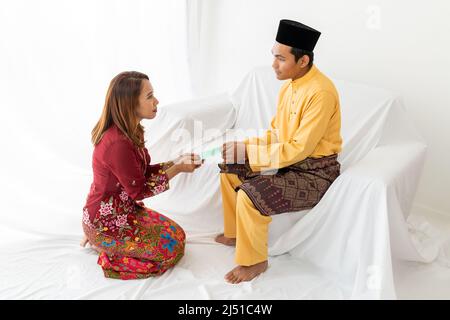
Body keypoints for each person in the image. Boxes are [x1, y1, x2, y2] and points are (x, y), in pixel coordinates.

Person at [217, 19, 343, 284]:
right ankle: (236, 233)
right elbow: (277, 134)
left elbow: (299, 148)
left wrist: (249, 154)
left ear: (303, 61)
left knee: (249, 196)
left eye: (280, 58)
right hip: (289, 162)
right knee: (229, 171)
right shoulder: (289, 87)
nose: (273, 64)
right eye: (273, 57)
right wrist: (245, 147)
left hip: (315, 173)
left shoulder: (321, 93)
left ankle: (255, 261)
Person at [81, 71, 202, 280]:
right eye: (149, 96)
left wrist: (176, 161)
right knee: (170, 253)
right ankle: (108, 253)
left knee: (178, 237)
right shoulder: (117, 143)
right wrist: (178, 168)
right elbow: (139, 190)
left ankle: (106, 243)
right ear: (130, 104)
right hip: (105, 221)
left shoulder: (132, 131)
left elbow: (141, 174)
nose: (156, 101)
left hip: (126, 213)